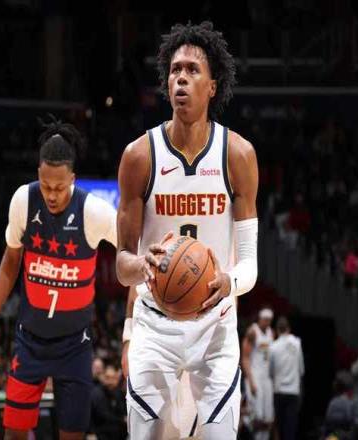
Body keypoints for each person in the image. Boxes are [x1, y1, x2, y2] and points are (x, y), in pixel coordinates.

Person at [117, 21, 259, 439]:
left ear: (213, 86)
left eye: (192, 70)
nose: (181, 77)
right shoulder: (139, 156)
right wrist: (142, 265)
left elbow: (249, 265)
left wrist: (228, 281)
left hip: (215, 324)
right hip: (154, 324)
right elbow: (122, 265)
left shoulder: (237, 155)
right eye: (175, 70)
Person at [0, 117, 117, 440]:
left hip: (75, 347)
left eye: (59, 187)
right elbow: (10, 262)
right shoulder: (23, 200)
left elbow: (131, 249)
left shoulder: (94, 211)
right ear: (38, 175)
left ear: (73, 179)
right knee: (13, 434)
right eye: (45, 186)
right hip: (30, 342)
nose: (51, 195)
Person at [241, 308, 274, 440]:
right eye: (265, 320)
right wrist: (251, 381)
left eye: (269, 320)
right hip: (254, 376)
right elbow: (245, 358)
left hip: (266, 377)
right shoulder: (252, 332)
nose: (267, 322)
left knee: (268, 416)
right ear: (260, 319)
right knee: (256, 415)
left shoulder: (271, 332)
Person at [269, 317, 304, 440]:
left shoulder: (273, 347)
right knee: (290, 427)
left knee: (279, 427)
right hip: (293, 392)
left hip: (279, 391)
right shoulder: (297, 344)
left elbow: (271, 372)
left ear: (277, 330)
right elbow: (301, 369)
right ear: (288, 329)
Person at [89, 365, 127, 440]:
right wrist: (91, 433)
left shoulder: (119, 393)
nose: (110, 381)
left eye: (113, 378)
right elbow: (90, 416)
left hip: (117, 434)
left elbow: (123, 414)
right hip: (100, 434)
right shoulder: (95, 394)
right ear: (103, 377)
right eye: (107, 377)